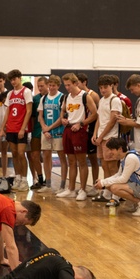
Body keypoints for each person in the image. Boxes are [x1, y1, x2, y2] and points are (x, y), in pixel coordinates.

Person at [56, 73, 97, 201]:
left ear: (75, 83)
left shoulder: (85, 96)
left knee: (82, 162)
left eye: (69, 85)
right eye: (65, 85)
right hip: (68, 130)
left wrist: (81, 123)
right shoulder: (67, 97)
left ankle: (83, 189)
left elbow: (95, 114)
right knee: (71, 161)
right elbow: (63, 110)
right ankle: (71, 189)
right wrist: (63, 118)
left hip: (80, 131)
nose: (67, 87)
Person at [96, 137, 140, 216]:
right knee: (110, 185)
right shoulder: (125, 157)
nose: (110, 152)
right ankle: (137, 203)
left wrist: (104, 183)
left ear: (120, 149)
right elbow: (118, 175)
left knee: (114, 187)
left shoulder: (130, 158)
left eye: (112, 149)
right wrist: (103, 181)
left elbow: (123, 179)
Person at [91, 75, 122, 204]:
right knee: (104, 165)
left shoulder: (115, 100)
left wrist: (102, 136)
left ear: (112, 86)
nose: (103, 90)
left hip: (110, 138)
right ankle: (107, 192)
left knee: (112, 167)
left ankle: (116, 195)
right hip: (101, 137)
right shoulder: (102, 100)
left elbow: (112, 121)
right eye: (101, 88)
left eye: (105, 87)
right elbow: (99, 118)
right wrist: (95, 134)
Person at [3, 70, 33, 191]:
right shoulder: (10, 93)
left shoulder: (26, 91)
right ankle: (18, 177)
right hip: (11, 127)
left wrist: (22, 128)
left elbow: (29, 111)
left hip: (21, 128)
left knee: (21, 153)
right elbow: (7, 111)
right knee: (14, 154)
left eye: (15, 79)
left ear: (20, 78)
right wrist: (2, 127)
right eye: (11, 80)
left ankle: (25, 180)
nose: (13, 82)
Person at [39, 75, 66, 193]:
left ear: (58, 86)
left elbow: (62, 117)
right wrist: (45, 129)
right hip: (46, 132)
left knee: (62, 158)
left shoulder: (62, 97)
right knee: (45, 156)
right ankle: (48, 184)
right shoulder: (44, 98)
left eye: (53, 85)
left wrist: (49, 128)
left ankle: (62, 186)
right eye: (49, 85)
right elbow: (40, 116)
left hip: (59, 132)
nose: (51, 87)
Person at [76, 73, 101, 189]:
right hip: (80, 129)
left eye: (78, 82)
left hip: (90, 128)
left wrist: (96, 131)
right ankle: (82, 187)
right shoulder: (75, 95)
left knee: (93, 158)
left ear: (84, 82)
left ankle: (95, 185)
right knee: (80, 159)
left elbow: (98, 114)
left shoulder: (93, 95)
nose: (76, 85)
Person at [27, 77, 47, 190]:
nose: (40, 88)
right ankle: (40, 178)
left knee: (47, 156)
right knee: (34, 155)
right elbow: (33, 117)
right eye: (38, 86)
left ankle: (48, 179)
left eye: (42, 86)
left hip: (50, 130)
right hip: (37, 130)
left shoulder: (56, 98)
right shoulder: (35, 99)